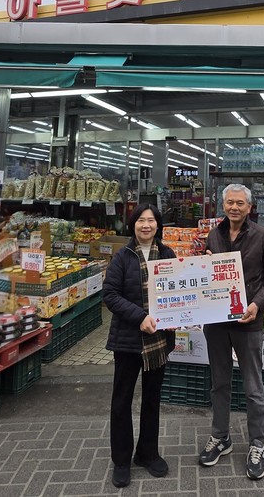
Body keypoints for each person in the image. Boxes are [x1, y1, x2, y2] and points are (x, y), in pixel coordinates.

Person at [199, 183, 264, 480]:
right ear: (223, 205)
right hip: (216, 322)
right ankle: (220, 436)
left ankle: (258, 444)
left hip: (248, 321)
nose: (234, 207)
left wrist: (257, 305)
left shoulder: (262, 236)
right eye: (230, 202)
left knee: (253, 387)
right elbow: (206, 275)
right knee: (219, 383)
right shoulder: (214, 234)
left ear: (249, 207)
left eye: (240, 203)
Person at [103, 204, 176, 487]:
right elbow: (110, 295)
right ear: (133, 225)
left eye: (151, 220)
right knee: (121, 401)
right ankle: (121, 460)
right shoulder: (122, 256)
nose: (146, 225)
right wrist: (140, 317)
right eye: (141, 221)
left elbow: (178, 292)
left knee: (152, 398)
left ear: (158, 225)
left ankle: (147, 453)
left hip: (158, 341)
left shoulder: (168, 255)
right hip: (128, 340)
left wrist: (179, 316)